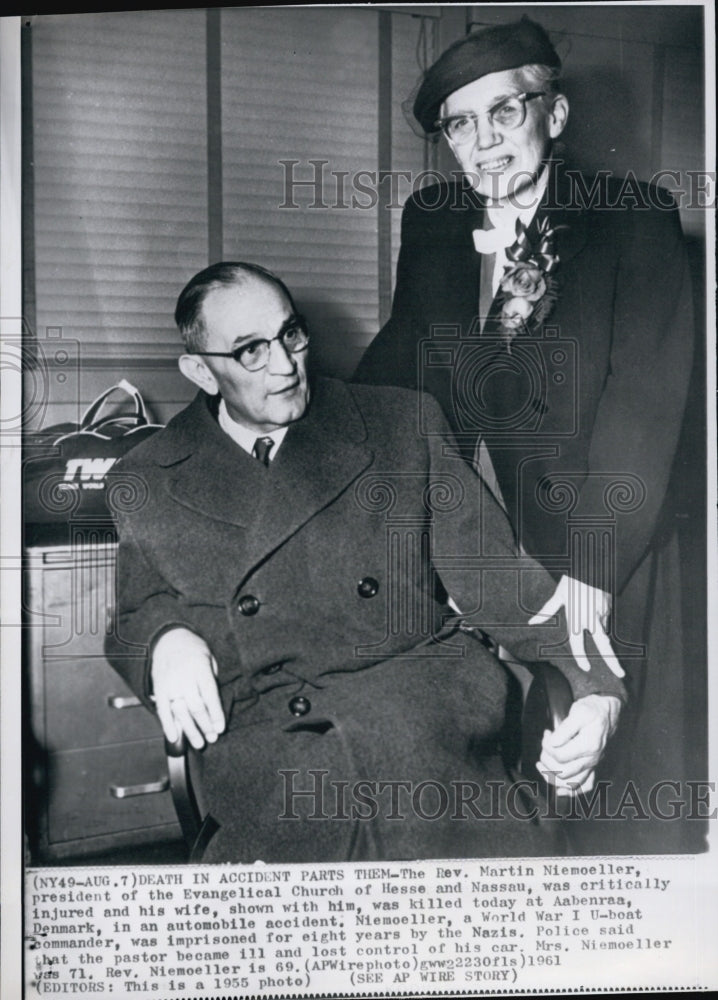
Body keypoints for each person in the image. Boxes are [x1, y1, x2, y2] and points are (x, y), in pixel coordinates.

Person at [107, 261, 626, 864]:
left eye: (291, 334)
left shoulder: (400, 424)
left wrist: (597, 690)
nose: (284, 364)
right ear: (200, 370)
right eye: (251, 351)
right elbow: (136, 609)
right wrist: (163, 640)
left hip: (424, 716)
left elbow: (496, 577)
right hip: (277, 744)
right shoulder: (149, 474)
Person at [353, 17, 698, 853]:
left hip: (605, 527)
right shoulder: (432, 218)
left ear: (556, 115)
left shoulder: (634, 217)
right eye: (459, 125)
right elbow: (406, 356)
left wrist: (593, 557)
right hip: (478, 530)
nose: (483, 144)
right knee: (499, 776)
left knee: (612, 777)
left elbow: (645, 399)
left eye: (503, 114)